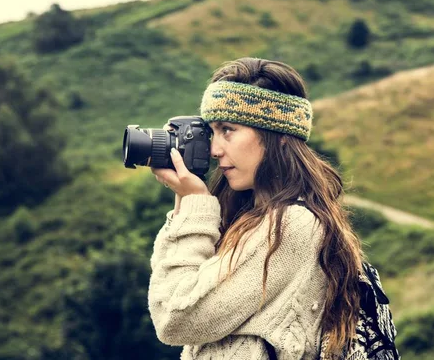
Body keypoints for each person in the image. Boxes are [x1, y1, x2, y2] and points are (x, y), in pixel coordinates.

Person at [148, 57, 364, 359]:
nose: (214, 149)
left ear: (278, 136)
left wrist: (195, 205)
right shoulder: (252, 218)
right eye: (213, 132)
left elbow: (175, 318)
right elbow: (171, 301)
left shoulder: (291, 225)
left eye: (228, 130)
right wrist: (184, 198)